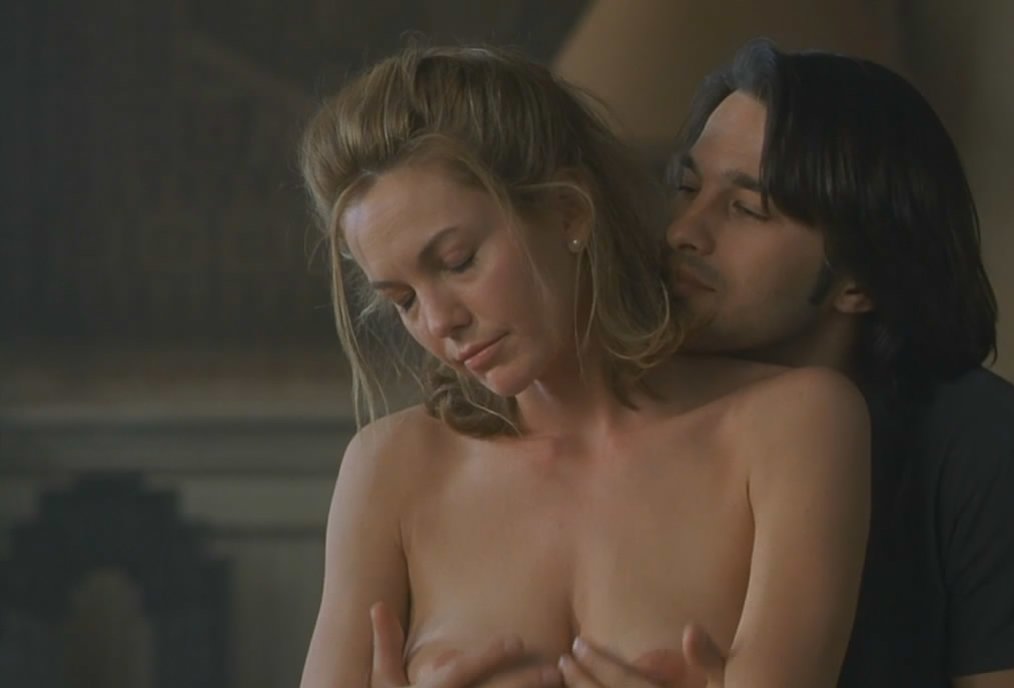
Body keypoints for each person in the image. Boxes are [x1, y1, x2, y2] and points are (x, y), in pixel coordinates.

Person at [296, 44, 871, 688]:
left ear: (569, 211)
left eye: (458, 262)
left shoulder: (793, 426)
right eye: (402, 299)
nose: (438, 321)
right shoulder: (391, 467)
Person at [658, 39, 1014, 687]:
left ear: (860, 279)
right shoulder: (626, 417)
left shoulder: (1004, 461)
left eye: (746, 209)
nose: (683, 230)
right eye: (686, 188)